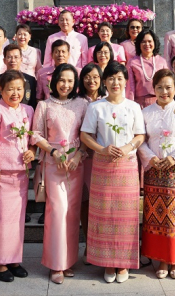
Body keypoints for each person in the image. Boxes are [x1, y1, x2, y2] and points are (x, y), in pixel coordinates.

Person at [80, 61, 146, 283]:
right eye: (111, 78)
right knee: (105, 214)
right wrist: (102, 149)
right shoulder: (96, 107)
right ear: (104, 82)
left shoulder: (133, 107)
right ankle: (108, 262)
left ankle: (124, 263)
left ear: (126, 81)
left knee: (126, 216)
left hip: (127, 166)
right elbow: (85, 135)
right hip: (102, 165)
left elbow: (140, 135)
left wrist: (128, 148)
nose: (115, 82)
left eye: (119, 78)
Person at [31, 64, 89, 284]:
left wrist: (77, 157)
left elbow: (87, 134)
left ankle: (68, 261)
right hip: (53, 163)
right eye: (62, 80)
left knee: (72, 213)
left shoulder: (82, 104)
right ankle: (56, 264)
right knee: (57, 211)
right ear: (53, 81)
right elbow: (35, 134)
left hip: (75, 164)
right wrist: (53, 152)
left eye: (70, 80)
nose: (66, 84)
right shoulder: (44, 105)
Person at [139, 69, 175, 280]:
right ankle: (162, 258)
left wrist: (174, 158)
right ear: (153, 89)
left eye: (168, 87)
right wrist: (151, 158)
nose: (164, 91)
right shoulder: (145, 112)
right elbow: (141, 140)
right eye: (160, 87)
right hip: (155, 170)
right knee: (158, 214)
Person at [0, 71, 36, 282]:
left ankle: (13, 259)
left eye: (19, 89)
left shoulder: (29, 110)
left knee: (17, 220)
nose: (15, 93)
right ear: (1, 90)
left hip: (21, 172)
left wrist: (33, 151)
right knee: (0, 219)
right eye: (10, 89)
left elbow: (33, 138)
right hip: (1, 172)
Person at [76, 62, 105, 263]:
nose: (91, 80)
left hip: (103, 158)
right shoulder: (77, 101)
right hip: (84, 158)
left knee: (102, 202)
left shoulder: (107, 100)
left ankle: (103, 244)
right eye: (87, 76)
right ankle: (89, 242)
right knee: (85, 202)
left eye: (95, 76)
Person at [126, 29, 169, 107]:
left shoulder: (162, 61)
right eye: (143, 42)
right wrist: (130, 105)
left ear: (154, 43)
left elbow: (167, 83)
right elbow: (130, 87)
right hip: (139, 103)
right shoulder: (132, 62)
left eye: (149, 41)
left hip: (159, 101)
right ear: (139, 44)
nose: (147, 44)